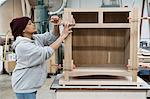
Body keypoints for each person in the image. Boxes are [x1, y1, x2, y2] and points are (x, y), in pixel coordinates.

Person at [10, 16, 74, 99]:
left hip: (29, 84)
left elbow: (51, 37)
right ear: (23, 29)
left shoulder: (34, 38)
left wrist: (56, 26)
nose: (33, 24)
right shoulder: (22, 46)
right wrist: (63, 36)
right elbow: (45, 53)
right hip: (24, 85)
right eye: (29, 24)